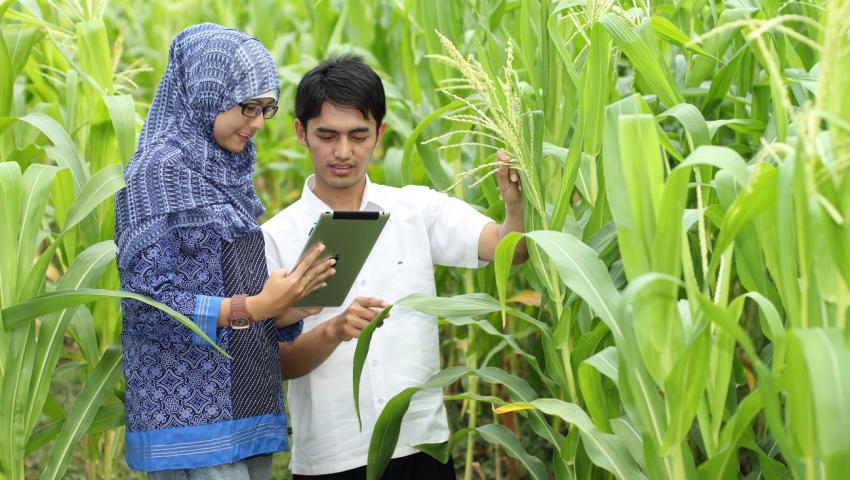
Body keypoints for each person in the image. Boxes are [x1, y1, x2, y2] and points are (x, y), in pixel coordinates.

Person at [261, 55, 526, 479]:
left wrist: (515, 206)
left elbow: (510, 249)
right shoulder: (275, 238)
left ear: (380, 134)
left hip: (422, 442)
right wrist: (334, 328)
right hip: (334, 455)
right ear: (300, 133)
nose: (343, 152)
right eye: (326, 135)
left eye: (358, 135)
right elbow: (277, 363)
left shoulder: (416, 210)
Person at [114, 23, 334, 479]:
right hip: (191, 421)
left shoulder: (229, 168)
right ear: (206, 94)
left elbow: (234, 293)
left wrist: (287, 307)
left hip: (248, 405)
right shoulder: (159, 173)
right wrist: (252, 307)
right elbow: (146, 305)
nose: (256, 123)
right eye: (247, 106)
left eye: (266, 109)